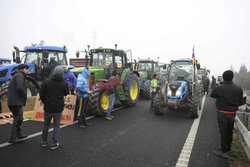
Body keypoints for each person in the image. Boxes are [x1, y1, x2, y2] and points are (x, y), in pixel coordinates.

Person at [211, 70, 243, 158]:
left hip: (222, 113)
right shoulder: (238, 88)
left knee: (223, 132)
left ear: (223, 77)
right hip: (232, 113)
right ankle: (229, 149)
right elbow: (240, 101)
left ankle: (223, 151)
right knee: (229, 131)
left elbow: (212, 95)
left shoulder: (219, 87)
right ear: (232, 77)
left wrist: (219, 84)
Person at [40, 67, 69, 150]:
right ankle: (54, 143)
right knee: (56, 126)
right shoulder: (64, 83)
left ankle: (44, 141)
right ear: (62, 74)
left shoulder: (46, 82)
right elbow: (66, 93)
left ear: (53, 73)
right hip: (58, 108)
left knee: (46, 124)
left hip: (48, 107)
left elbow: (41, 95)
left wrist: (46, 102)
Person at [8, 64, 29, 143]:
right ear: (23, 69)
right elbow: (20, 87)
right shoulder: (20, 75)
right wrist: (24, 95)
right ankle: (12, 138)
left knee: (19, 118)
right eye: (27, 69)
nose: (28, 71)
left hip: (14, 101)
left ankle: (18, 134)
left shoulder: (16, 75)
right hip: (16, 102)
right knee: (17, 119)